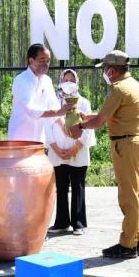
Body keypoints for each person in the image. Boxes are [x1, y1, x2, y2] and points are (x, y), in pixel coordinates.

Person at [69, 50, 139, 259]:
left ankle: (128, 244)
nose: (104, 72)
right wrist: (90, 118)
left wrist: (81, 125)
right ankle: (136, 239)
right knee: (136, 195)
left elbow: (98, 122)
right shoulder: (133, 85)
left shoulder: (117, 89)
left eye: (105, 69)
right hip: (137, 141)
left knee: (128, 197)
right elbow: (110, 116)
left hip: (125, 145)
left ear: (112, 70)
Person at [46, 69, 96, 235]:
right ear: (60, 81)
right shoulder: (53, 103)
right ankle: (61, 222)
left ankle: (78, 223)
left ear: (77, 82)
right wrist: (56, 149)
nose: (68, 82)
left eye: (71, 79)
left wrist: (75, 148)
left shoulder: (84, 103)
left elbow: (88, 127)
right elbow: (48, 126)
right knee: (60, 188)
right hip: (57, 153)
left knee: (77, 187)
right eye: (65, 79)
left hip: (78, 153)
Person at [7, 43, 75, 143]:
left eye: (48, 61)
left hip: (38, 139)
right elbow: (32, 111)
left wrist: (65, 128)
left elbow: (55, 107)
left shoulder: (47, 81)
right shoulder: (20, 80)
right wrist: (59, 112)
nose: (46, 64)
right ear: (31, 61)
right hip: (19, 138)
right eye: (42, 60)